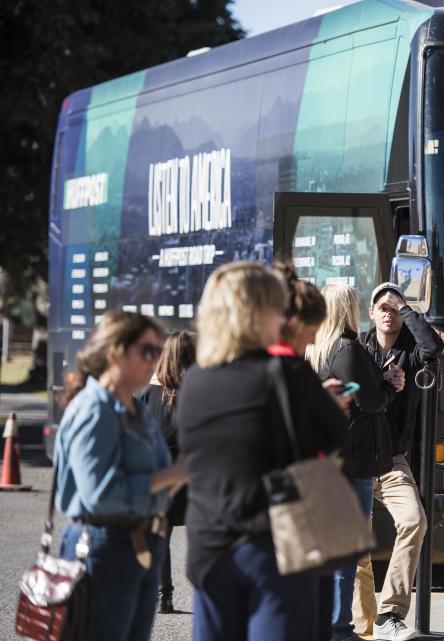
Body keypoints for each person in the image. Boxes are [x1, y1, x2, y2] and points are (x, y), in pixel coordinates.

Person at [176, 262, 348, 641]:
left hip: (208, 545)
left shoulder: (195, 381)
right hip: (273, 544)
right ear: (263, 313)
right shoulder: (284, 372)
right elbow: (333, 439)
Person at [54, 310, 187, 641]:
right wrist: (171, 475)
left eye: (158, 351)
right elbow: (100, 495)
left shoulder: (137, 408)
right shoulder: (93, 409)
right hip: (103, 546)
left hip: (141, 543)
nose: (156, 360)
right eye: (147, 351)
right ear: (114, 352)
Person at [307, 282, 400, 641]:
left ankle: (325, 622)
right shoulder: (347, 347)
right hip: (353, 460)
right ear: (347, 308)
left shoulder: (317, 347)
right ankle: (339, 627)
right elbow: (371, 401)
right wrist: (389, 384)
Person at [353, 282, 443, 641]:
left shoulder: (411, 347)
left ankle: (390, 613)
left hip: (391, 460)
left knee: (414, 520)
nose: (389, 314)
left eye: (395, 308)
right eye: (384, 307)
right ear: (371, 313)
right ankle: (364, 624)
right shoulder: (358, 348)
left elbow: (434, 347)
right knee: (355, 543)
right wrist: (384, 383)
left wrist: (408, 309)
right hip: (358, 458)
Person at [136, 330, 196, 615]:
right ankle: (207, 596)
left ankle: (164, 597)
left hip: (160, 483)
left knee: (160, 539)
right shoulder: (200, 394)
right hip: (197, 484)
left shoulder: (146, 394)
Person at [269, 262, 351, 415]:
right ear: (294, 324)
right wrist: (326, 405)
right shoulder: (288, 367)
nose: (313, 341)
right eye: (313, 332)